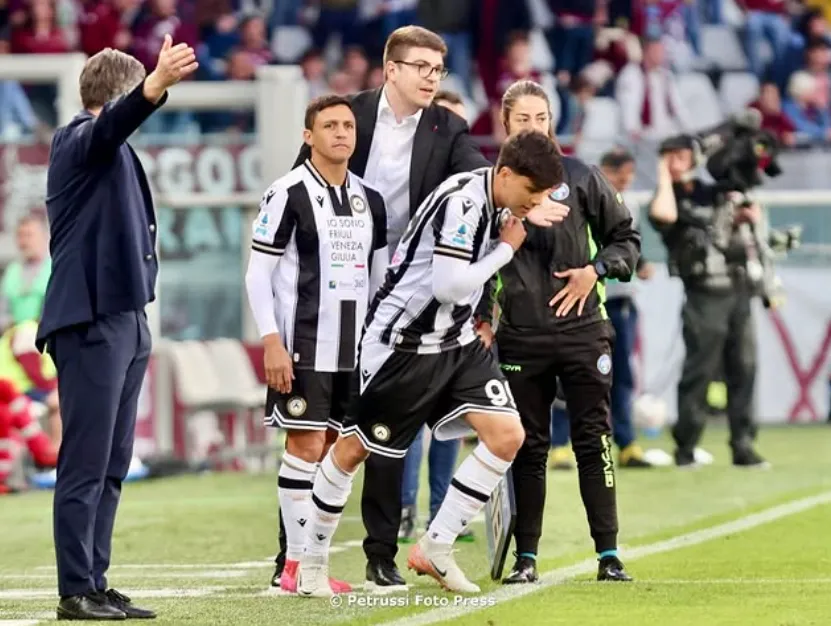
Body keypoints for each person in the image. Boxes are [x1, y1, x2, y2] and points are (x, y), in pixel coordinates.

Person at [294, 130, 563, 597]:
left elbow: (462, 289)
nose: (533, 204)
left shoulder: (499, 199)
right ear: (504, 174)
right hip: (401, 344)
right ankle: (310, 562)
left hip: (455, 342)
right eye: (531, 192)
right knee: (355, 449)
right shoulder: (463, 202)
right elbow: (449, 287)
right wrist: (506, 249)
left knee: (507, 436)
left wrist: (524, 208)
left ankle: (435, 546)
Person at [274, 25, 492, 593]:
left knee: (386, 427)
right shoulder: (347, 117)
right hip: (335, 291)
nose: (430, 78)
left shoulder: (450, 129)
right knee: (311, 434)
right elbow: (302, 189)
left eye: (437, 69)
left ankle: (380, 554)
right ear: (390, 69)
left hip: (403, 299)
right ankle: (291, 560)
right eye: (420, 67)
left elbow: (483, 184)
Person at [36, 37, 197, 620]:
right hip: (91, 319)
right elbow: (108, 129)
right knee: (85, 460)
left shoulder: (114, 148)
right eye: (142, 93)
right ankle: (74, 589)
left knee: (111, 462)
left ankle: (96, 581)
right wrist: (152, 87)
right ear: (125, 93)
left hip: (127, 318)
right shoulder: (78, 139)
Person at [477, 80, 640, 585]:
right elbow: (470, 257)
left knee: (595, 438)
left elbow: (627, 239)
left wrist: (596, 269)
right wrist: (484, 316)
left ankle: (608, 555)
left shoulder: (581, 176)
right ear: (506, 125)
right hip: (521, 337)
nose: (534, 128)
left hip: (584, 332)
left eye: (541, 119)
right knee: (529, 446)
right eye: (523, 120)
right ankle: (526, 558)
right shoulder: (486, 189)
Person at [245, 94, 390, 595]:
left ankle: (311, 563)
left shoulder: (370, 199)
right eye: (329, 125)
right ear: (309, 136)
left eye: (348, 125)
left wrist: (380, 344)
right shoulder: (286, 192)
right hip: (303, 345)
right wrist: (271, 342)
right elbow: (257, 274)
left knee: (340, 453)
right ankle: (296, 565)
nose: (341, 133)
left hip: (355, 351)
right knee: (305, 446)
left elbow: (378, 278)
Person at [649, 137, 768, 468]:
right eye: (670, 157)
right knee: (699, 372)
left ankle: (743, 445)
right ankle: (686, 447)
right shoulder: (666, 197)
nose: (678, 162)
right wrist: (662, 173)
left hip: (737, 287)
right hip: (702, 292)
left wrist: (746, 216)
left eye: (683, 156)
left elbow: (742, 197)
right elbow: (663, 214)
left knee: (744, 368)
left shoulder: (713, 190)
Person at [398, 89, 476, 544]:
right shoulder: (416, 183)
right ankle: (405, 508)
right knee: (409, 417)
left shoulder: (473, 189)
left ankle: (442, 513)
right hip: (411, 309)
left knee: (451, 418)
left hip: (458, 316)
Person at [548, 149, 656, 470]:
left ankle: (625, 442)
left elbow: (629, 246)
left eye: (629, 176)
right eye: (620, 175)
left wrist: (642, 263)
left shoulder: (628, 205)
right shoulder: (578, 200)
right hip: (584, 299)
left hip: (620, 300)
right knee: (570, 373)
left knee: (621, 374)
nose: (625, 182)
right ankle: (560, 443)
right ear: (604, 172)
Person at [0, 319, 61, 446]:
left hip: (23, 388)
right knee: (60, 400)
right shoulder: (28, 331)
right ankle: (54, 453)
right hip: (15, 391)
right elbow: (34, 373)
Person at [0, 214, 51, 329]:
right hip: (13, 339)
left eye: (29, 235)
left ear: (44, 237)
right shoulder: (11, 272)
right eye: (20, 235)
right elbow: (2, 310)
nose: (24, 241)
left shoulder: (54, 269)